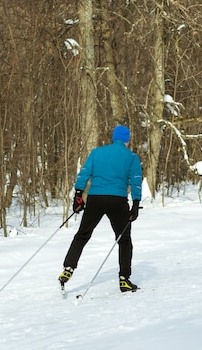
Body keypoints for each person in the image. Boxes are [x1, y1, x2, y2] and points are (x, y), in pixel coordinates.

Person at [59, 125, 143, 292]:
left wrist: (78, 195)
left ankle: (69, 267)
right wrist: (135, 204)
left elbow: (84, 173)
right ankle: (124, 279)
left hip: (95, 199)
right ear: (127, 140)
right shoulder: (131, 157)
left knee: (83, 234)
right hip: (118, 200)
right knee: (124, 239)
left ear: (113, 138)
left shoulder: (97, 152)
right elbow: (135, 180)